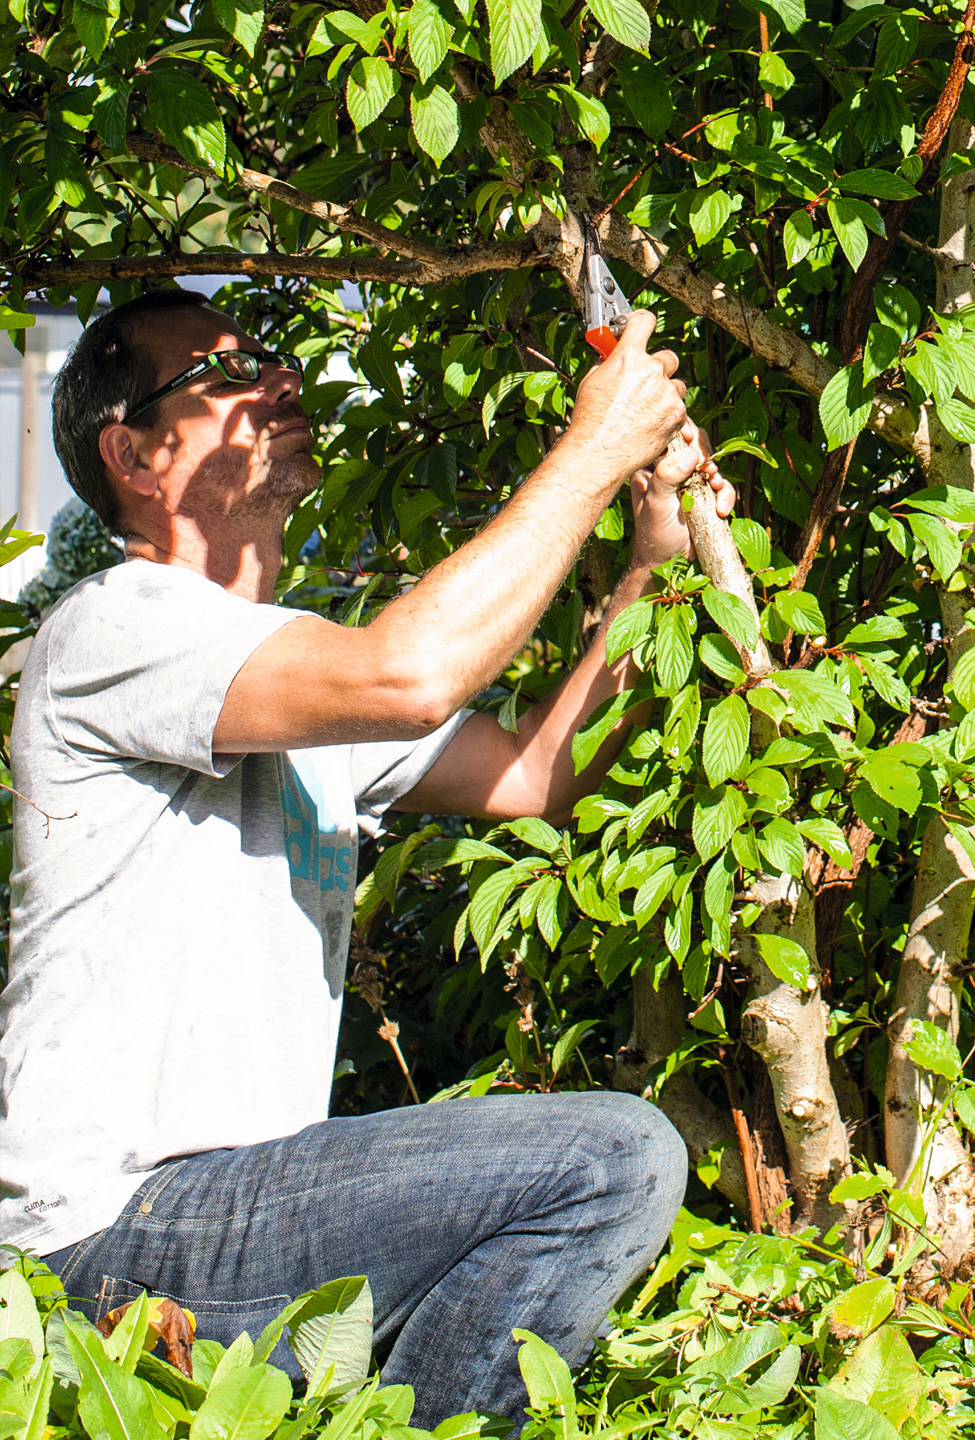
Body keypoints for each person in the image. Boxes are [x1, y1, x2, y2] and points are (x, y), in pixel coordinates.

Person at [0, 287, 731, 1422]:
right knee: (612, 1159)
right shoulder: (114, 623)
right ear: (135, 454)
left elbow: (536, 775)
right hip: (114, 1229)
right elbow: (411, 674)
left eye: (277, 362)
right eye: (229, 375)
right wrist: (597, 445)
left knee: (589, 1170)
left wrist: (650, 556)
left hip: (220, 1213)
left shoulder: (293, 678)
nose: (282, 383)